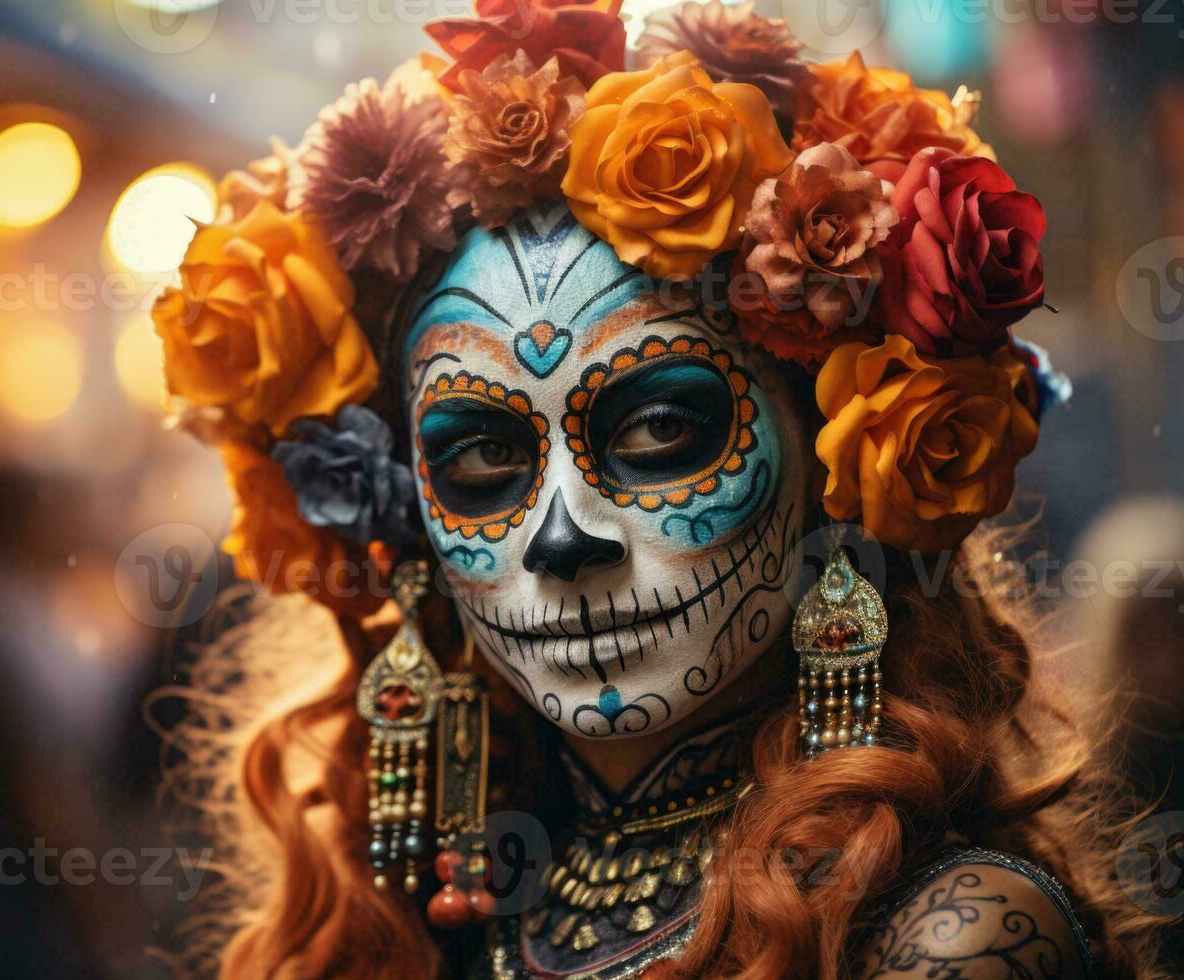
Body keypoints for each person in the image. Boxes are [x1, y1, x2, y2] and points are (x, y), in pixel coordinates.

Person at [151, 3, 1173, 975]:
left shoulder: (948, 936)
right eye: (478, 462)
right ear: (410, 523)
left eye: (659, 429)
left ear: (831, 473)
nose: (561, 535)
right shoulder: (425, 921)